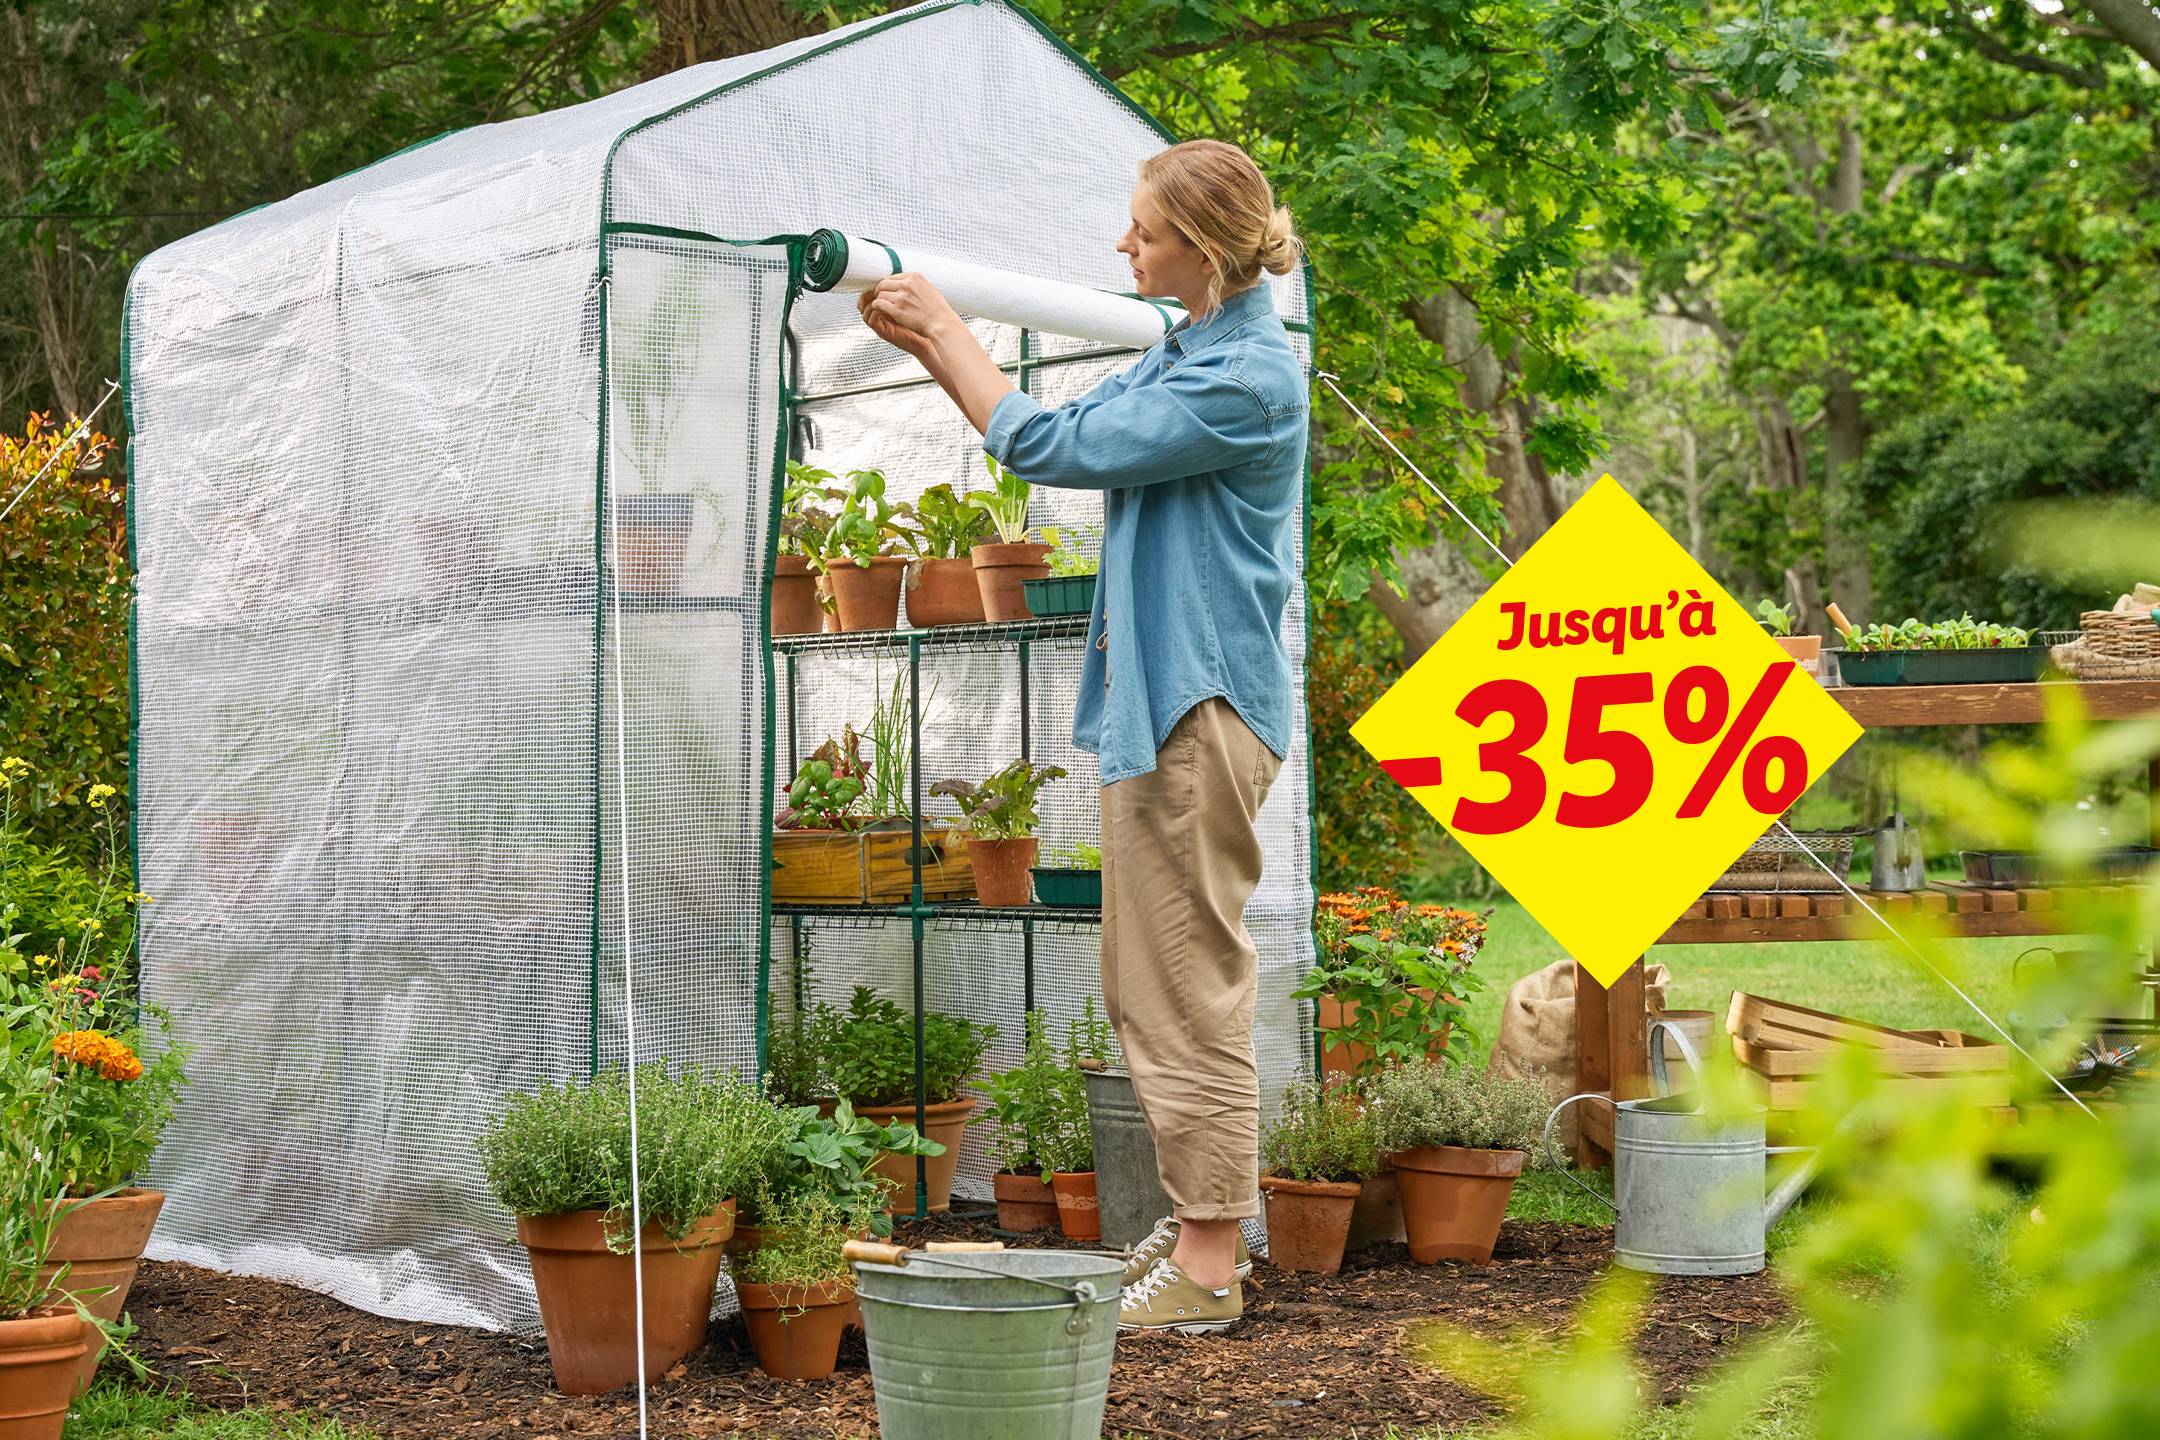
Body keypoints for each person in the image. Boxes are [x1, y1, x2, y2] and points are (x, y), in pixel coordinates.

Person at [856, 138, 1308, 1335]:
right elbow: (1047, 420)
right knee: (1140, 981)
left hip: (1197, 711)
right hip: (1162, 709)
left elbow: (1045, 449)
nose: (1124, 246)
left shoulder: (1249, 379)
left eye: (1144, 230)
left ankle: (1210, 1265)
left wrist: (949, 334)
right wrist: (943, 351)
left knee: (1181, 987)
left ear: (1202, 248)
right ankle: (1201, 1223)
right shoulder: (1186, 352)